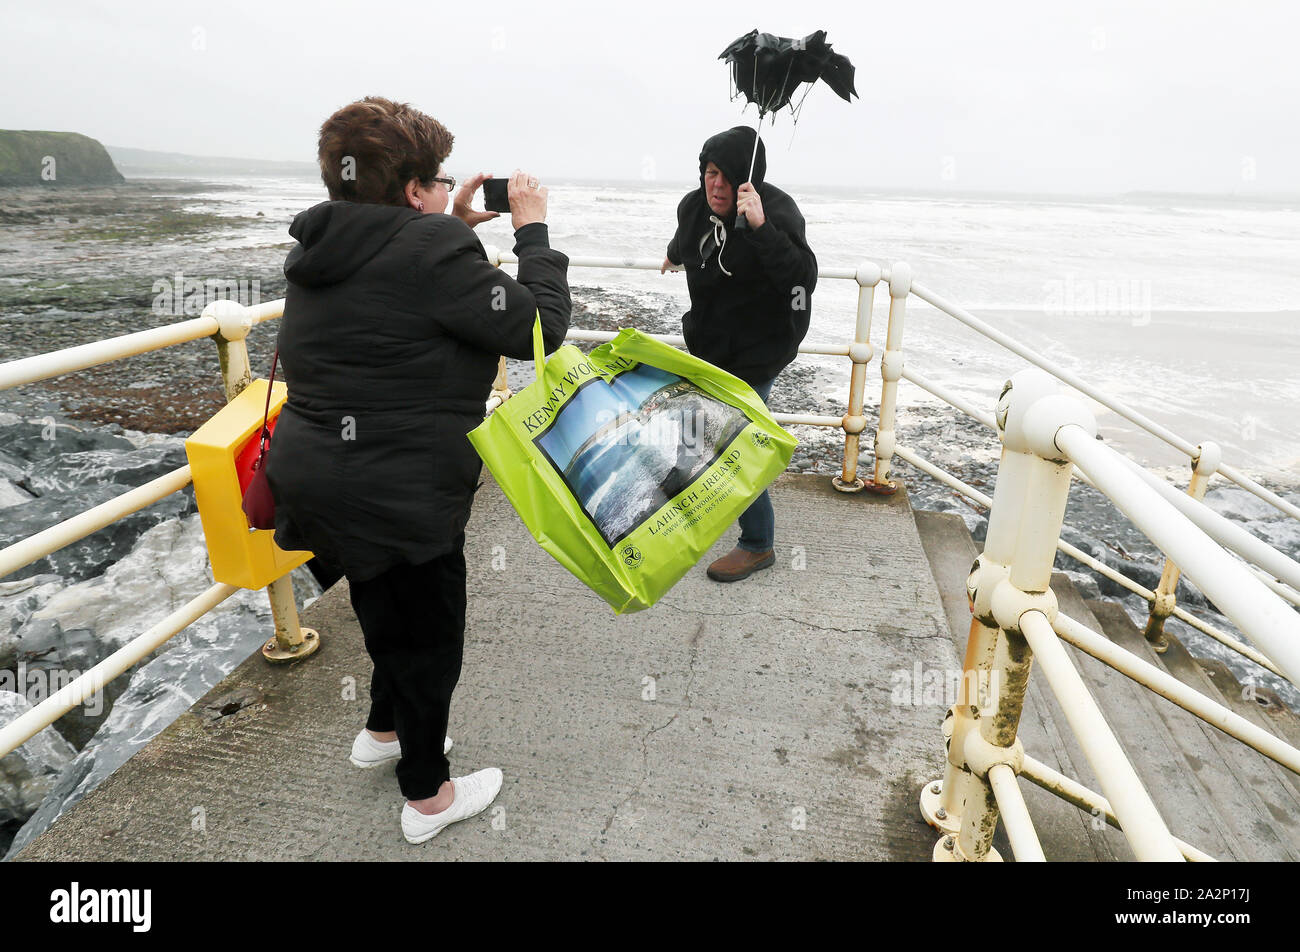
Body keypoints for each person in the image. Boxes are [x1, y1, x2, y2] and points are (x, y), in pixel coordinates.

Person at [266, 96, 571, 844]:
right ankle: (428, 797)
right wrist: (531, 228)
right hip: (395, 492)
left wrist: (453, 225)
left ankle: (382, 732)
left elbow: (391, 293)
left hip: (315, 481)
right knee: (429, 640)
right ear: (412, 191)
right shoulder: (431, 253)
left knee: (382, 607)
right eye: (438, 180)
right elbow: (538, 328)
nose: (447, 189)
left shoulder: (322, 247)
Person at [661, 126, 817, 582]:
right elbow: (686, 239)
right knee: (692, 430)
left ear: (746, 179)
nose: (716, 185)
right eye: (710, 173)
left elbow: (801, 279)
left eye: (726, 177)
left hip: (758, 350)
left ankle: (757, 544)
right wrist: (672, 256)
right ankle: (692, 513)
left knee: (733, 444)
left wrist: (762, 229)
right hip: (709, 346)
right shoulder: (693, 205)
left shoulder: (776, 209)